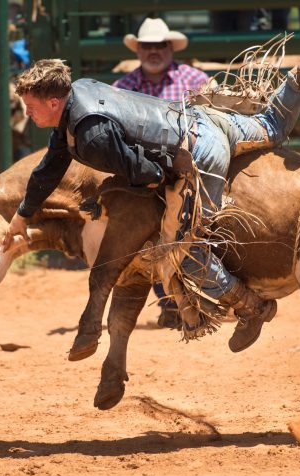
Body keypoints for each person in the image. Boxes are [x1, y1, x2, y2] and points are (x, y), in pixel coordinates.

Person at [3, 13, 300, 357]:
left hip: (197, 152)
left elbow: (143, 171)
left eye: (31, 106)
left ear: (53, 101)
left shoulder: (91, 133)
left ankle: (252, 308)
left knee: (186, 249)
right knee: (273, 127)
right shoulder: (79, 91)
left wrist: (156, 185)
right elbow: (50, 166)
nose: (28, 113)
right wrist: (22, 215)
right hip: (205, 121)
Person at [113, 17, 210, 329]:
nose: (153, 51)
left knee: (199, 231)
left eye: (160, 45)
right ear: (139, 49)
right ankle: (170, 300)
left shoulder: (195, 80)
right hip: (146, 176)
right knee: (147, 235)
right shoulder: (122, 88)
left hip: (192, 172)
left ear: (170, 47)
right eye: (147, 46)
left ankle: (197, 296)